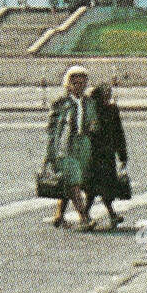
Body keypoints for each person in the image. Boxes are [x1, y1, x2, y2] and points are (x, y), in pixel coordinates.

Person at [44, 65, 95, 230]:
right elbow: (52, 130)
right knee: (73, 178)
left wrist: (93, 127)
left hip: (83, 146)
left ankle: (59, 216)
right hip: (64, 147)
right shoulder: (60, 103)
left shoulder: (89, 102)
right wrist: (50, 155)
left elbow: (94, 123)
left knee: (73, 182)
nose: (80, 86)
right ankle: (84, 218)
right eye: (76, 83)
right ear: (68, 84)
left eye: (83, 83)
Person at [86, 81, 130, 229]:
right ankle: (89, 215)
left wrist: (122, 155)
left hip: (107, 155)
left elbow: (118, 133)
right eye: (105, 95)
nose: (107, 98)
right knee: (93, 188)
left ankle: (106, 215)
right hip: (93, 155)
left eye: (109, 95)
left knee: (105, 188)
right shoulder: (91, 111)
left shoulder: (112, 110)